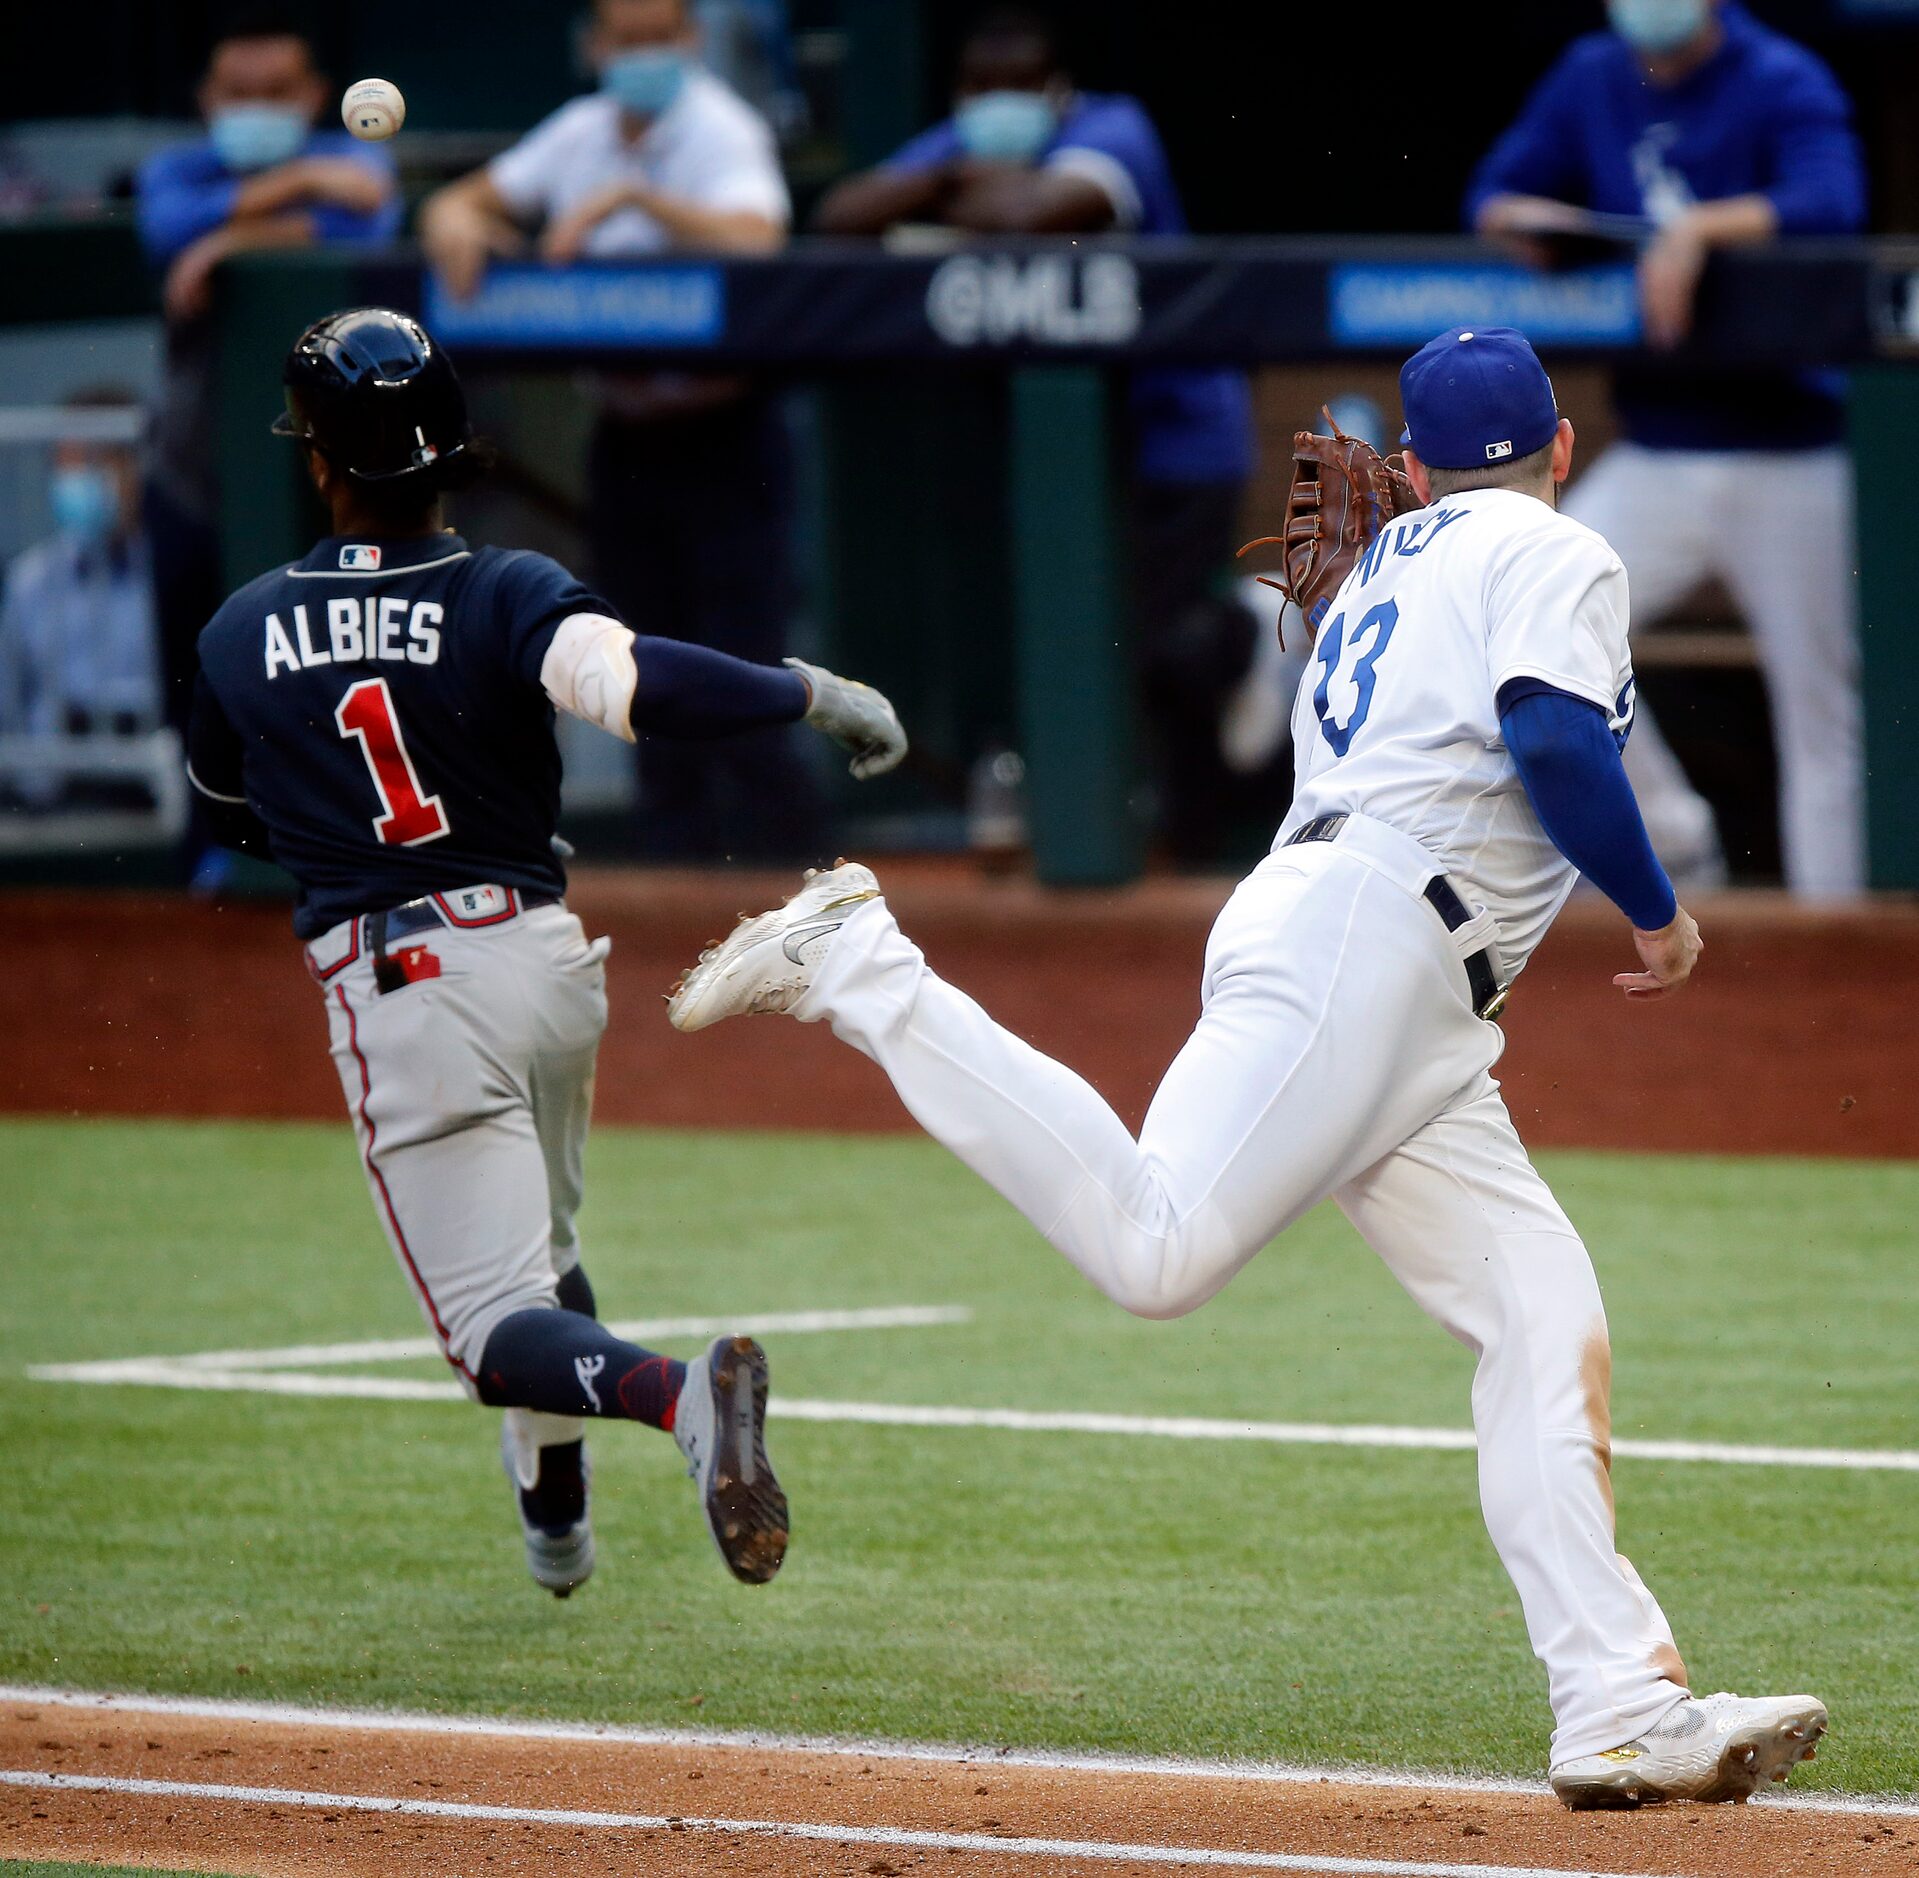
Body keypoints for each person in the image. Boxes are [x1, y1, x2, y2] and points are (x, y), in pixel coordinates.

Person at [669, 327, 1827, 1807]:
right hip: (1368, 943)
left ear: (1409, 466)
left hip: (1383, 970)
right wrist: (1658, 916)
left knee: (1539, 1317)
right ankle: (861, 966)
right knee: (1157, 1252)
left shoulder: (1385, 572)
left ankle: (1613, 1702)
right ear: (1557, 448)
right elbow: (1552, 740)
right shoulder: (1549, 546)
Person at [186, 308, 907, 1596]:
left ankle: (680, 1400)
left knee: (490, 1335)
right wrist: (806, 692)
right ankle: (557, 1525)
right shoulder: (504, 588)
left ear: (316, 461)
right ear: (453, 448)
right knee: (544, 1249)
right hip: (544, 962)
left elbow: (225, 806)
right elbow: (646, 688)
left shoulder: (241, 630)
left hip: (404, 986)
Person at [813, 5, 1262, 864]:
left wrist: (948, 189)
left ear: (1057, 93)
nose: (998, 108)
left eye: (1019, 92)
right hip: (1074, 449)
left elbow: (1040, 209)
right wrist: (951, 178)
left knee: (1164, 644)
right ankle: (1130, 824)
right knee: (1088, 640)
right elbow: (842, 212)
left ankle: (1233, 679)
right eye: (982, 93)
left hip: (1180, 429)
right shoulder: (959, 144)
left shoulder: (1111, 126)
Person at [1467, 0, 1867, 898]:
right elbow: (1494, 192)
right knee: (1528, 632)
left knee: (1822, 710)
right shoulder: (1591, 72)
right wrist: (1535, 223)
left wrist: (1700, 229)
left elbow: (1831, 202)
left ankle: (1834, 930)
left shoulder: (1779, 75)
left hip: (1791, 447)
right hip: (1660, 447)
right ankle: (1677, 838)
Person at [421, 0, 817, 863]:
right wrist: (460, 222)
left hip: (726, 434)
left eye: (659, 35)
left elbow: (758, 237)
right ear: (594, 46)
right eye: (624, 38)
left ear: (689, 40)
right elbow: (461, 202)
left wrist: (636, 198)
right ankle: (677, 880)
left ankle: (799, 881)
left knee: (744, 663)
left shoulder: (722, 127)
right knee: (635, 665)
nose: (642, 54)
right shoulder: (580, 127)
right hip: (627, 437)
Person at [135, 13, 400, 866]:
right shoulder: (175, 168)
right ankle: (210, 861)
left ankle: (331, 856)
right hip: (190, 475)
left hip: (316, 488)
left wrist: (230, 236)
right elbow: (166, 227)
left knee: (325, 678)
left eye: (275, 94)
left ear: (314, 96)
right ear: (207, 99)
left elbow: (368, 211)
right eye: (237, 95)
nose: (255, 110)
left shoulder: (350, 154)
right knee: (197, 683)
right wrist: (288, 195)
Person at [0, 396, 160, 806]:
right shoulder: (31, 581)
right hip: (51, 800)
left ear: (132, 467)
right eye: (64, 463)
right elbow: (11, 702)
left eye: (92, 460)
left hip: (153, 795)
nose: (74, 479)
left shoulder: (168, 573)